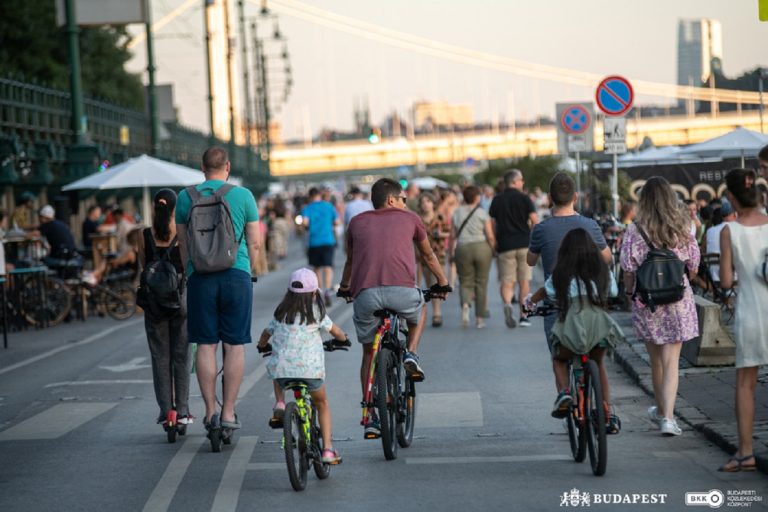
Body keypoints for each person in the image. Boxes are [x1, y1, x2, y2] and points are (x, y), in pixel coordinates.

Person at [339, 178, 450, 438]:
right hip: (402, 293)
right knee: (420, 309)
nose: (405, 202)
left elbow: (351, 261)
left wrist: (345, 287)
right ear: (391, 199)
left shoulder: (356, 222)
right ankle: (411, 353)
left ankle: (370, 415)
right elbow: (428, 255)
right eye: (403, 198)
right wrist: (442, 283)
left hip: (365, 296)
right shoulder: (411, 219)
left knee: (369, 352)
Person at [176, 146, 260, 433]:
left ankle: (210, 411)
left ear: (202, 168)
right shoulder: (243, 196)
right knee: (234, 344)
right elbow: (255, 242)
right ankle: (228, 412)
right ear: (227, 166)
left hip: (200, 277)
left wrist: (191, 272)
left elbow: (183, 244)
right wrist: (252, 270)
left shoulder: (185, 198)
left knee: (206, 344)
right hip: (236, 274)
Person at [620, 176, 700, 437]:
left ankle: (662, 411)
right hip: (677, 301)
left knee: (656, 362)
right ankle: (667, 417)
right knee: (672, 361)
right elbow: (694, 267)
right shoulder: (682, 228)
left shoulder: (635, 230)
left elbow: (628, 269)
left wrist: (629, 293)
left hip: (648, 302)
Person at [525, 229, 623, 433]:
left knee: (559, 359)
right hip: (599, 327)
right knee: (599, 363)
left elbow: (547, 291)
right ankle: (606, 411)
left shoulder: (561, 272)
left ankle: (564, 394)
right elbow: (613, 292)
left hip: (572, 326)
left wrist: (530, 302)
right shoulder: (603, 270)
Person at [257, 268, 348, 464]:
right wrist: (344, 339)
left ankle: (280, 402)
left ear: (288, 292)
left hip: (284, 373)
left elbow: (266, 333)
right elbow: (336, 332)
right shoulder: (316, 312)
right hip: (310, 372)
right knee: (322, 404)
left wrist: (262, 345)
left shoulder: (281, 313)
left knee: (278, 365)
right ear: (315, 293)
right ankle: (327, 450)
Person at [717, 168, 768, 472]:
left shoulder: (730, 231)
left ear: (732, 197)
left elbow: (725, 280)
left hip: (751, 312)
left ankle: (745, 452)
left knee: (746, 384)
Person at [137, 189, 192, 428]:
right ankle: (182, 409)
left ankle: (165, 411)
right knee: (182, 356)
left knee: (160, 356)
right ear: (174, 208)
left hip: (154, 304)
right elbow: (189, 264)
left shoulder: (144, 235)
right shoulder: (182, 233)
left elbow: (144, 265)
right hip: (179, 299)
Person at [489, 169, 538, 328]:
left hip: (505, 245)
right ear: (515, 182)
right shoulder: (525, 198)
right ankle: (524, 316)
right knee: (524, 282)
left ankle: (508, 304)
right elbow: (535, 221)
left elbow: (492, 222)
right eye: (521, 180)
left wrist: (495, 241)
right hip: (524, 244)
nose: (523, 183)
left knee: (507, 281)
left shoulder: (497, 200)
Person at [451, 186, 496, 329]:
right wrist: (493, 248)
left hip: (463, 248)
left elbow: (453, 236)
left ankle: (465, 305)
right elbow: (489, 235)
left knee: (465, 281)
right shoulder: (482, 213)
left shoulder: (456, 212)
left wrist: (451, 252)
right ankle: (479, 319)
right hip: (481, 247)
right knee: (481, 283)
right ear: (476, 197)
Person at [301, 187, 340, 305]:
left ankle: (320, 291)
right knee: (328, 266)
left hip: (314, 241)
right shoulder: (329, 206)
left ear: (310, 197)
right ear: (319, 195)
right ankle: (328, 290)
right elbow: (337, 222)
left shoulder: (307, 208)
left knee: (317, 267)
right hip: (328, 240)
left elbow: (305, 223)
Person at [418, 192, 450, 327]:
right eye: (423, 202)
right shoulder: (417, 219)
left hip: (439, 254)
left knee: (438, 282)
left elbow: (450, 232)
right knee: (429, 283)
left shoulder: (440, 216)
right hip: (423, 256)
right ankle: (431, 312)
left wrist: (440, 234)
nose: (426, 204)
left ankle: (437, 313)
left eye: (428, 201)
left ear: (433, 203)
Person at [702, 198, 736, 283]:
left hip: (713, 276)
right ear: (735, 214)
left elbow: (703, 251)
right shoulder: (737, 229)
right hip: (732, 277)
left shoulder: (710, 231)